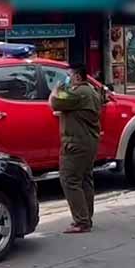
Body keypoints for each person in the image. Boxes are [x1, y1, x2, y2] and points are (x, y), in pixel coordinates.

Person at [51, 63, 103, 234]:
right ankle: (87, 217)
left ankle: (81, 221)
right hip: (89, 142)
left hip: (76, 143)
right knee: (85, 179)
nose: (68, 78)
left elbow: (55, 101)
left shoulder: (78, 92)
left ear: (78, 77)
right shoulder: (91, 92)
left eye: (70, 75)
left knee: (70, 179)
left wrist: (56, 88)